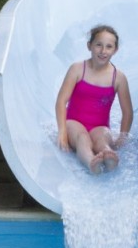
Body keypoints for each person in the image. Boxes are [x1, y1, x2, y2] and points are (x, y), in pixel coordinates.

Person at [55, 24, 133, 174]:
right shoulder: (77, 69)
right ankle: (91, 161)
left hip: (100, 127)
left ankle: (109, 156)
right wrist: (62, 132)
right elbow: (61, 101)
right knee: (82, 138)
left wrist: (122, 138)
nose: (103, 51)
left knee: (102, 140)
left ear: (115, 50)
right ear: (89, 46)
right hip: (74, 123)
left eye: (109, 47)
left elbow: (127, 112)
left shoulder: (119, 78)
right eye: (98, 45)